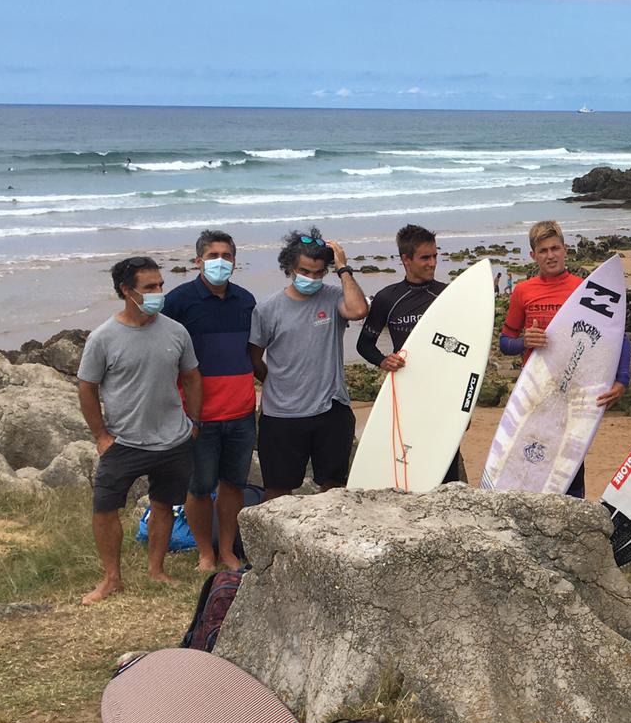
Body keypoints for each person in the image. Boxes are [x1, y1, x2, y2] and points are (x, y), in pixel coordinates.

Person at [76, 256, 201, 605]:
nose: (159, 292)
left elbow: (192, 376)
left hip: (174, 439)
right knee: (104, 507)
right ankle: (111, 579)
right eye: (149, 287)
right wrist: (101, 436)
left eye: (160, 285)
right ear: (126, 291)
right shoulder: (103, 338)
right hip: (124, 441)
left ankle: (157, 570)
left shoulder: (176, 331)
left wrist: (194, 422)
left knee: (164, 504)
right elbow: (87, 387)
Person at [498, 221, 630, 498]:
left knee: (570, 461)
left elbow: (618, 337)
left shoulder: (584, 291)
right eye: (543, 250)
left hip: (575, 393)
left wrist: (622, 381)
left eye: (555, 248)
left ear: (565, 249)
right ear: (533, 255)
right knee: (528, 456)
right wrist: (524, 342)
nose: (550, 255)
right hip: (535, 392)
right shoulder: (523, 292)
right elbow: (505, 343)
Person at [248, 227, 370, 501]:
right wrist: (274, 382)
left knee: (334, 489)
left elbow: (359, 310)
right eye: (305, 271)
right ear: (290, 267)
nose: (311, 278)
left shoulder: (333, 296)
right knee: (277, 493)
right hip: (281, 416)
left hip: (331, 410)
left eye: (318, 272)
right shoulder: (267, 309)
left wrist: (343, 267)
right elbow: (254, 357)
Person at [163, 230, 256, 571]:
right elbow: (166, 355)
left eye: (227, 255)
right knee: (199, 487)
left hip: (242, 411)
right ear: (198, 261)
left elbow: (252, 351)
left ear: (235, 259)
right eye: (213, 255)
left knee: (233, 484)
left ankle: (228, 550)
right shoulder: (178, 302)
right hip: (198, 415)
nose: (221, 261)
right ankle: (205, 553)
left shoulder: (246, 301)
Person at [355, 224, 464, 483]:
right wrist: (383, 360)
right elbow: (364, 344)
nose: (432, 263)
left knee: (445, 465)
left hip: (444, 394)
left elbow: (463, 346)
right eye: (425, 257)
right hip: (406, 394)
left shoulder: (446, 295)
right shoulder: (387, 298)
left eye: (435, 256)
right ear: (406, 259)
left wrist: (463, 405)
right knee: (408, 458)